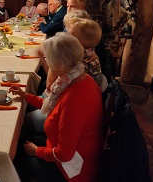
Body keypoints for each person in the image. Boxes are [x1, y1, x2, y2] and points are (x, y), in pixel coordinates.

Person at [10, 33, 102, 182]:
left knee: (15, 166)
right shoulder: (74, 77)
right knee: (19, 141)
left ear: (58, 63)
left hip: (71, 169)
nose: (46, 61)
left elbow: (64, 154)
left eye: (46, 58)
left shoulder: (76, 97)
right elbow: (52, 105)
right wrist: (25, 95)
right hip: (61, 150)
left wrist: (36, 151)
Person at [64, 13, 108, 91]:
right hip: (91, 91)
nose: (67, 37)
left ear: (80, 41)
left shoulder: (80, 58)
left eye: (70, 35)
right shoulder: (89, 51)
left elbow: (60, 83)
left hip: (83, 93)